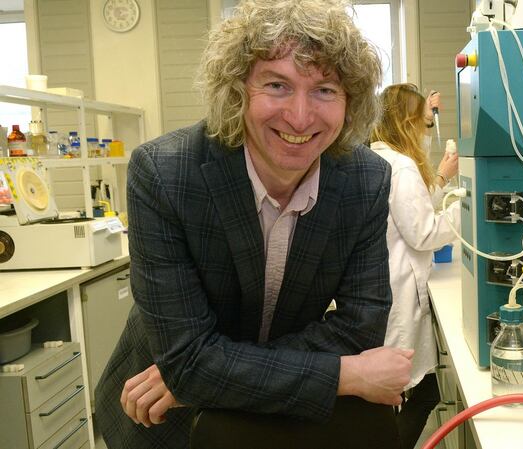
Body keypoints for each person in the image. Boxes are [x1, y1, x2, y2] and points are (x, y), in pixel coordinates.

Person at [94, 1, 413, 448]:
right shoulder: (166, 174)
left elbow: (362, 327)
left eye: (324, 90)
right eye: (277, 85)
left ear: (351, 102)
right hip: (160, 418)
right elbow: (184, 360)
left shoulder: (364, 179)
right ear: (238, 90)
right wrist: (346, 374)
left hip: (272, 424)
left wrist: (209, 376)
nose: (300, 117)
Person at [369, 83, 460, 449]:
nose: (427, 133)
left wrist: (441, 179)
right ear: (406, 123)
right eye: (424, 125)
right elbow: (422, 233)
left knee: (399, 393)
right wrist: (464, 210)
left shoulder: (380, 157)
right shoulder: (402, 166)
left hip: (382, 289)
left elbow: (410, 212)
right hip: (399, 293)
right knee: (417, 392)